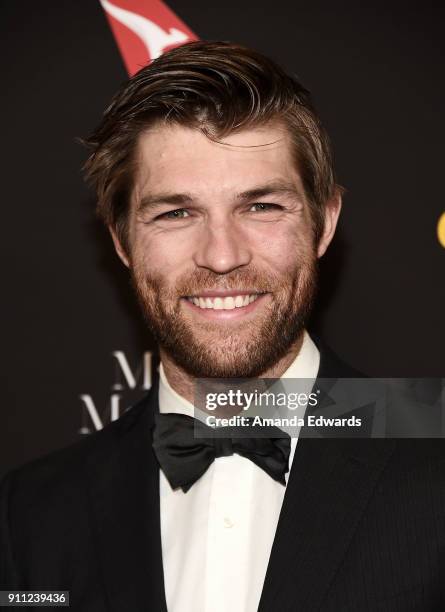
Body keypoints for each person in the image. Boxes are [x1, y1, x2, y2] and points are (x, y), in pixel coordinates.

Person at [1, 41, 444, 612]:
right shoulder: (28, 516)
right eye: (176, 213)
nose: (222, 255)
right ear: (121, 240)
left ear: (325, 222)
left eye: (261, 206)